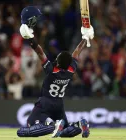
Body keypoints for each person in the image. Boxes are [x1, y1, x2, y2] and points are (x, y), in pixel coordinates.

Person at [17, 6, 94, 138]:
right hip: (59, 104)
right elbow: (76, 52)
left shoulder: (51, 70)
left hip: (45, 102)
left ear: (57, 62)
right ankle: (79, 124)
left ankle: (50, 125)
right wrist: (86, 38)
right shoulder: (71, 69)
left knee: (26, 128)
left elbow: (40, 52)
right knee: (65, 132)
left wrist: (30, 39)